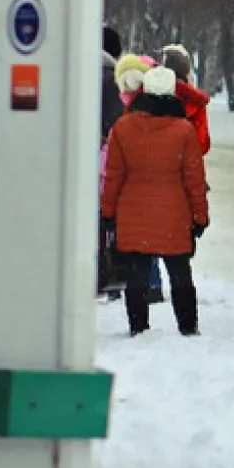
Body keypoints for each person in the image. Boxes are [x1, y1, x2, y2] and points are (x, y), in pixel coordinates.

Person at [100, 65, 208, 337]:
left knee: (136, 275)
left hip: (132, 214)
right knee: (179, 272)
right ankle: (187, 326)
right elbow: (194, 180)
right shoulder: (184, 131)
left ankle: (138, 327)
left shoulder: (123, 128)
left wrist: (108, 212)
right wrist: (200, 218)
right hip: (174, 216)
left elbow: (113, 176)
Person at [98, 28, 128, 301]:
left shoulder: (77, 71)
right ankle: (106, 275)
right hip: (102, 160)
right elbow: (116, 124)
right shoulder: (110, 80)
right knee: (104, 218)